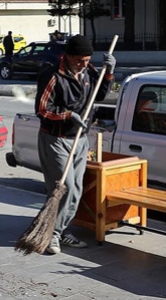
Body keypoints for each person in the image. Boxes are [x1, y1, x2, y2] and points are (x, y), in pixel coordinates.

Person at [34, 34, 116, 254]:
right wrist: (68, 115)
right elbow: (42, 110)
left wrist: (108, 73)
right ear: (68, 57)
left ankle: (60, 229)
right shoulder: (53, 76)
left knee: (76, 190)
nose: (84, 64)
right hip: (56, 139)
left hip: (80, 139)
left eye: (88, 59)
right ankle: (53, 234)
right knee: (63, 187)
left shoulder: (89, 72)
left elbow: (99, 93)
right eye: (80, 60)